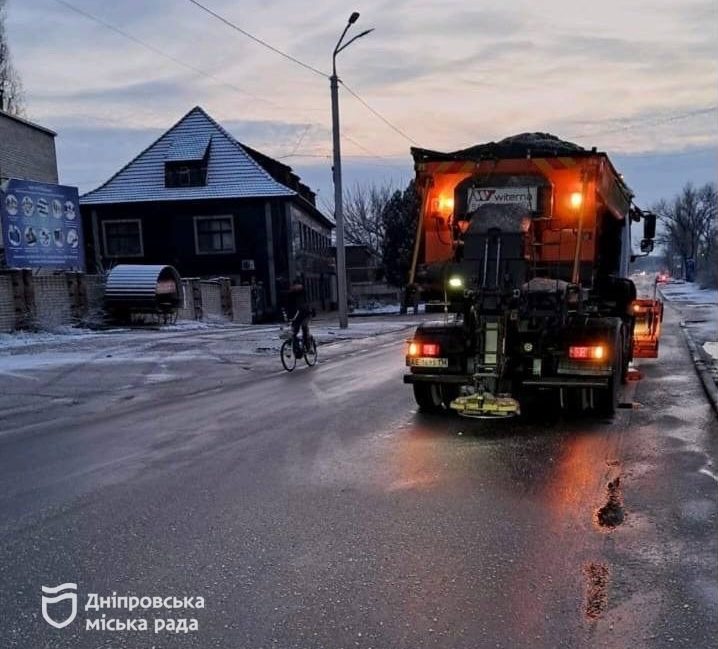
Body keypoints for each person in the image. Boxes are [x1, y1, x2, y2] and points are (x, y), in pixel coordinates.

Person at [287, 275, 312, 357]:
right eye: (295, 286)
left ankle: (308, 348)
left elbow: (305, 302)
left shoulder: (302, 291)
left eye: (298, 285)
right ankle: (297, 351)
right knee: (294, 332)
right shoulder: (291, 293)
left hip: (305, 314)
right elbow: (288, 304)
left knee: (304, 328)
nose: (296, 287)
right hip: (297, 315)